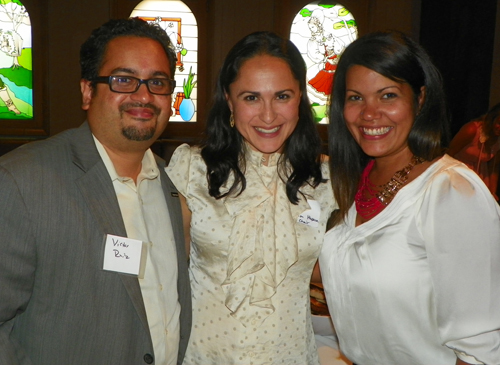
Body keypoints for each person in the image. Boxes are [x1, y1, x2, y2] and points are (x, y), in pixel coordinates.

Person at [0, 18, 191, 365]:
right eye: (124, 80)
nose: (144, 95)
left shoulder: (171, 185)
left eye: (157, 82)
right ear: (88, 91)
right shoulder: (23, 181)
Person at [320, 31, 500, 365]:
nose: (369, 114)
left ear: (420, 99)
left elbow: (481, 349)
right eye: (356, 98)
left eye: (387, 96)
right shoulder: (351, 184)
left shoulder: (451, 192)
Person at [166, 31, 336, 365]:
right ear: (229, 101)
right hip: (205, 355)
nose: (269, 116)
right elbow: (163, 272)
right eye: (251, 98)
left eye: (282, 96)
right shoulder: (191, 168)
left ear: (300, 97)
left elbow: (338, 272)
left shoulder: (328, 180)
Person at [448, 102, 500, 201]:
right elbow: (449, 153)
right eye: (499, 123)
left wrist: (492, 192)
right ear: (492, 118)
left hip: (481, 179)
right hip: (459, 175)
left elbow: (494, 167)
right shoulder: (472, 130)